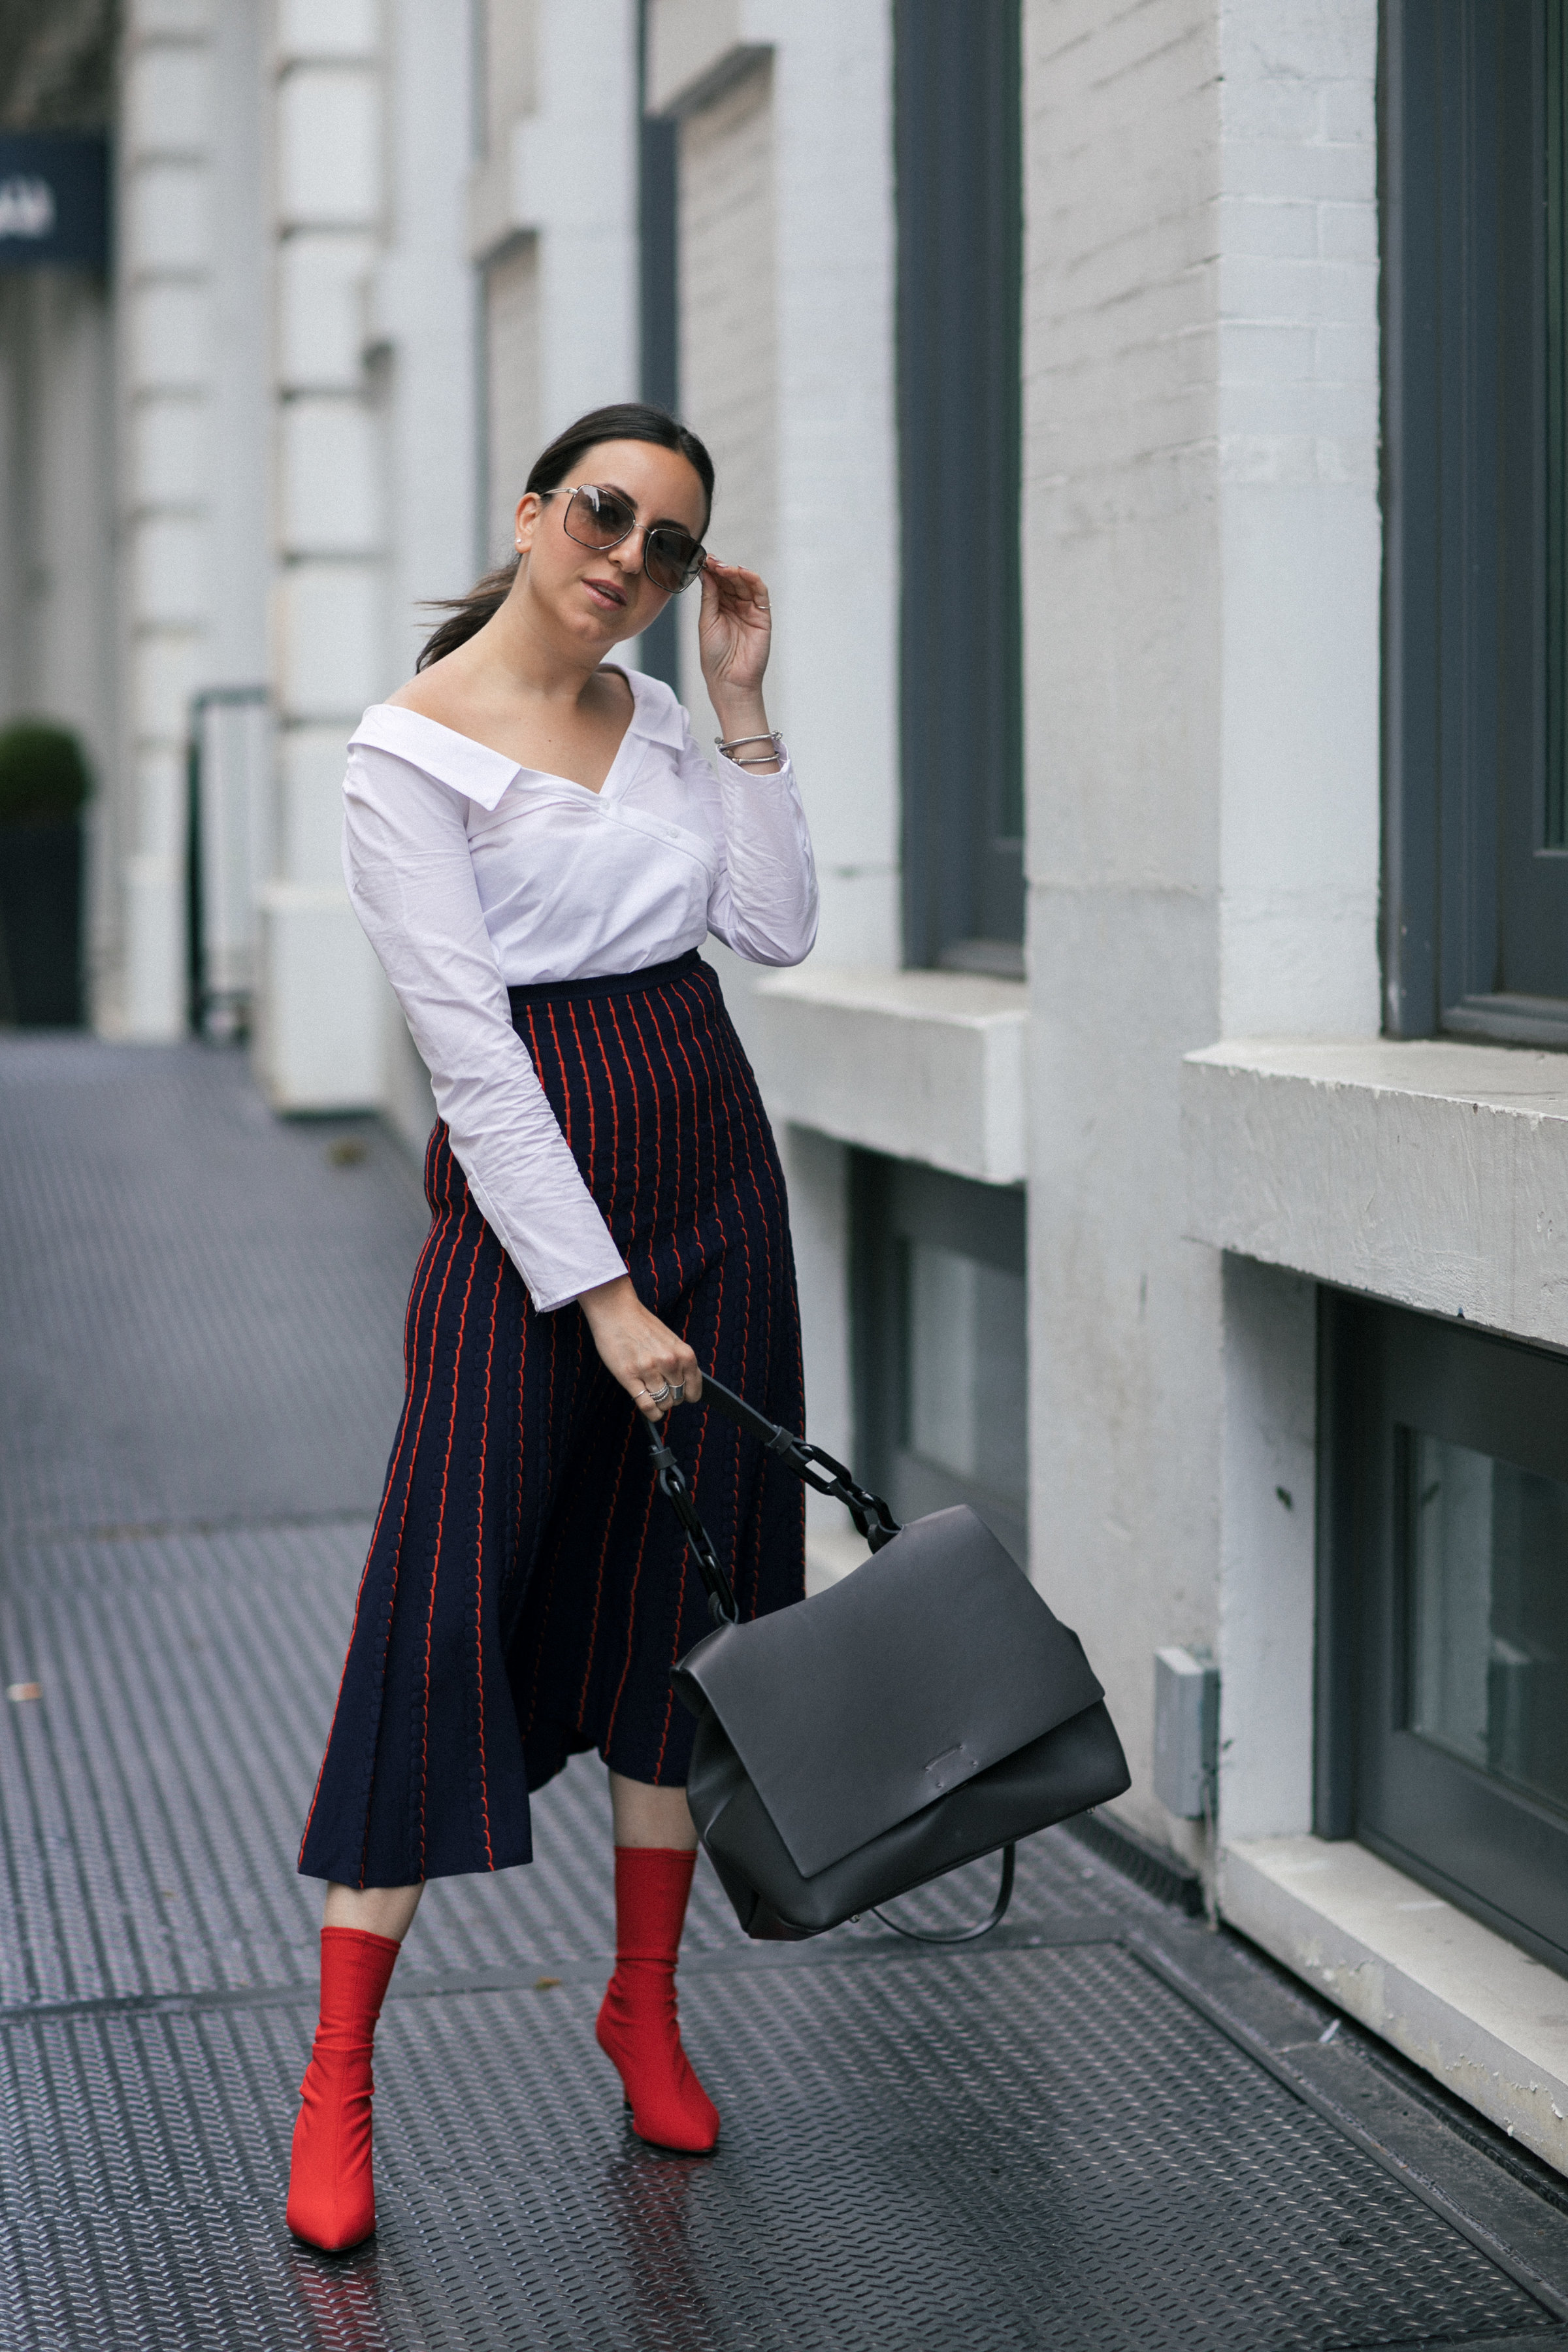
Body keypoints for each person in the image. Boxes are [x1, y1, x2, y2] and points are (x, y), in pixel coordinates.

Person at [285, 403, 817, 2251]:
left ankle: (642, 2007)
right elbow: (475, 1062)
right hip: (539, 1219)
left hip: (715, 1166)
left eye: (669, 548)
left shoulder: (665, 720)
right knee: (446, 1610)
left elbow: (773, 928)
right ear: (531, 511)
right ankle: (341, 2075)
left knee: (682, 1621)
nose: (631, 562)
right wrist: (598, 1295)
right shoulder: (406, 755)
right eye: (607, 514)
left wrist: (741, 699)